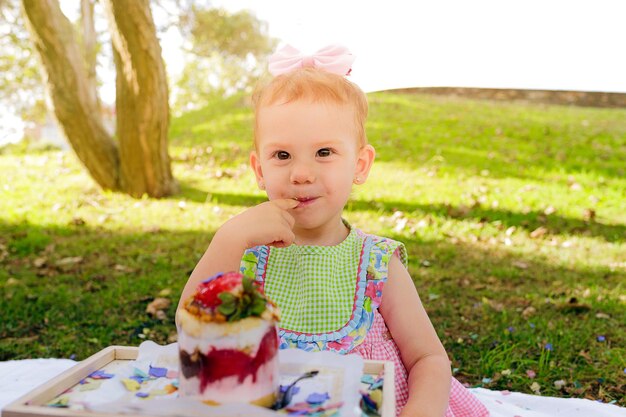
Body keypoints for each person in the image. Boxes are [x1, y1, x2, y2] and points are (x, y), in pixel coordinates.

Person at [178, 44, 489, 417]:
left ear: (359, 164)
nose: (301, 173)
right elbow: (191, 327)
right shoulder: (244, 257)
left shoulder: (375, 262)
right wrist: (229, 236)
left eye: (324, 152)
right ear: (259, 170)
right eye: (282, 155)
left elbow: (428, 357)